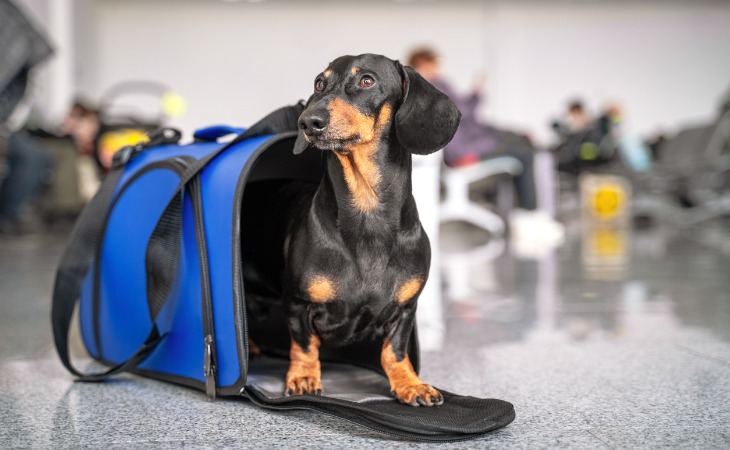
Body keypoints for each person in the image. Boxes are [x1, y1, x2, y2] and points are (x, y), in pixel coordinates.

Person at [407, 48, 563, 244]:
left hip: (460, 147)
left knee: (520, 145)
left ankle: (527, 217)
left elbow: (466, 115)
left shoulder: (418, 88)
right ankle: (529, 219)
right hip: (462, 151)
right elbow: (464, 112)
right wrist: (476, 93)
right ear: (425, 64)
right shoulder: (435, 84)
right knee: (524, 153)